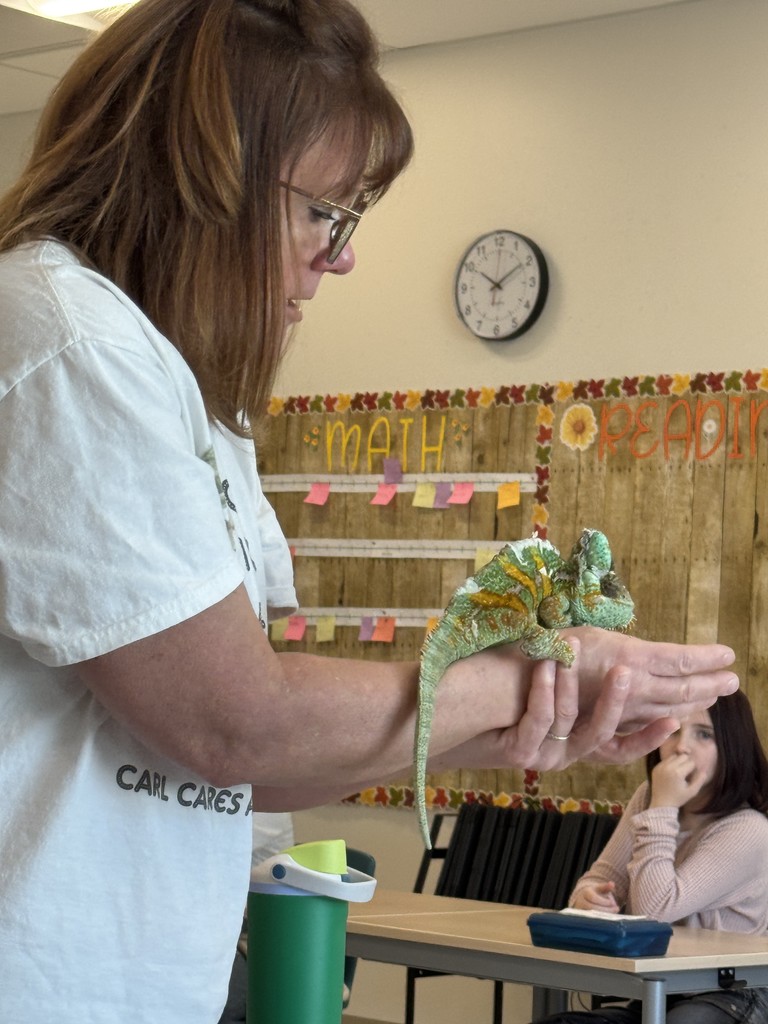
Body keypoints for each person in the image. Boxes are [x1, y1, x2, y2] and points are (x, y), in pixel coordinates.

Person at [0, 0, 738, 1019]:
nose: (338, 257)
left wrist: (539, 725)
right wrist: (534, 684)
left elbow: (248, 768)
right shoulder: (68, 342)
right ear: (207, 180)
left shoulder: (192, 394)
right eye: (322, 213)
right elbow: (235, 722)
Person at [535, 689, 768, 1024]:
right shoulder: (649, 796)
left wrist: (663, 807)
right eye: (671, 731)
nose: (681, 746)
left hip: (734, 995)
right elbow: (602, 877)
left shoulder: (749, 829)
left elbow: (653, 909)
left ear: (732, 745)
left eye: (703, 734)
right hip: (660, 990)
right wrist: (587, 901)